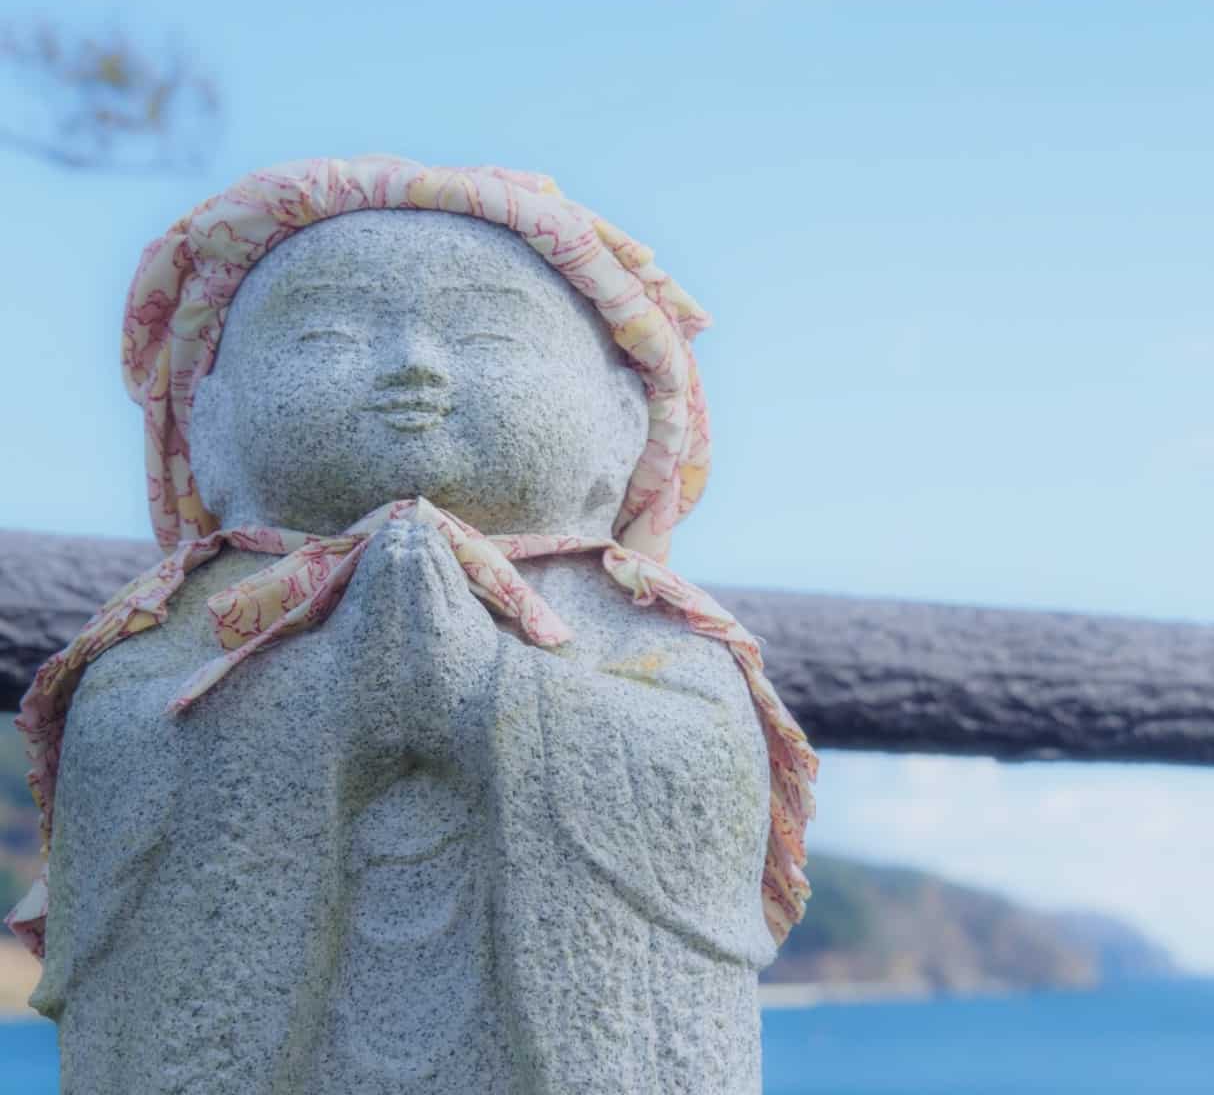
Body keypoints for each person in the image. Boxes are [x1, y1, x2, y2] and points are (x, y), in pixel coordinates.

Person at [9, 158, 815, 1094]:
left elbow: (702, 788)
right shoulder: (185, 626)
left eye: (489, 338)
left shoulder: (647, 628)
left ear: (620, 426)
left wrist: (492, 695)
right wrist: (326, 698)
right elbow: (119, 768)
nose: (414, 366)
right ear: (213, 426)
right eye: (325, 337)